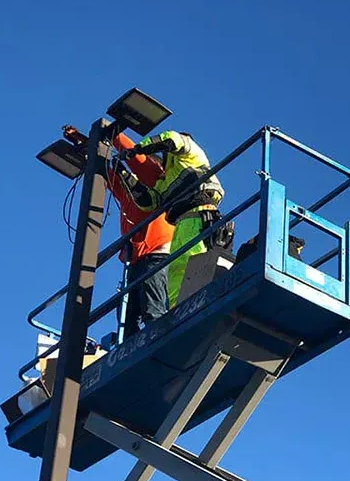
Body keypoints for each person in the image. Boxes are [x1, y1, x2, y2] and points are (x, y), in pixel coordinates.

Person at [64, 126, 173, 337]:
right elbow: (110, 174)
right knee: (126, 316)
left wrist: (113, 133)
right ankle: (128, 345)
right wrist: (88, 147)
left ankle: (157, 338)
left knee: (153, 307)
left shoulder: (156, 178)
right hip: (136, 258)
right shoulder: (129, 195)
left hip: (157, 252)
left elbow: (137, 159)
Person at [116, 130, 231, 307]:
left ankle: (197, 306)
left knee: (198, 265)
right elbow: (149, 201)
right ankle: (179, 313)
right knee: (177, 274)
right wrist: (123, 174)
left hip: (200, 217)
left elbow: (172, 138)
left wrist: (137, 149)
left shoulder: (191, 155)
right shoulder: (166, 180)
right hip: (182, 226)